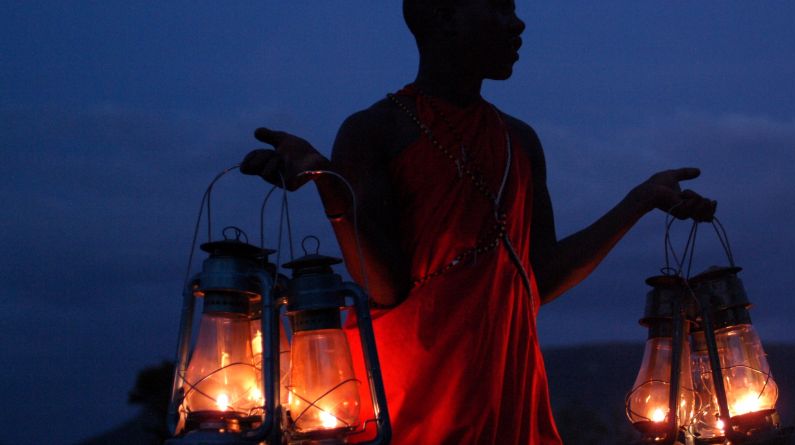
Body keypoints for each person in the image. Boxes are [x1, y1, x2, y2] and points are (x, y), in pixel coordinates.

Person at [241, 1, 716, 443]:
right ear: (441, 18)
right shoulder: (376, 130)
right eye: (499, 6)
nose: (517, 23)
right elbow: (384, 288)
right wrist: (329, 182)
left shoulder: (519, 140)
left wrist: (638, 201)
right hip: (414, 400)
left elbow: (539, 278)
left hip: (509, 392)